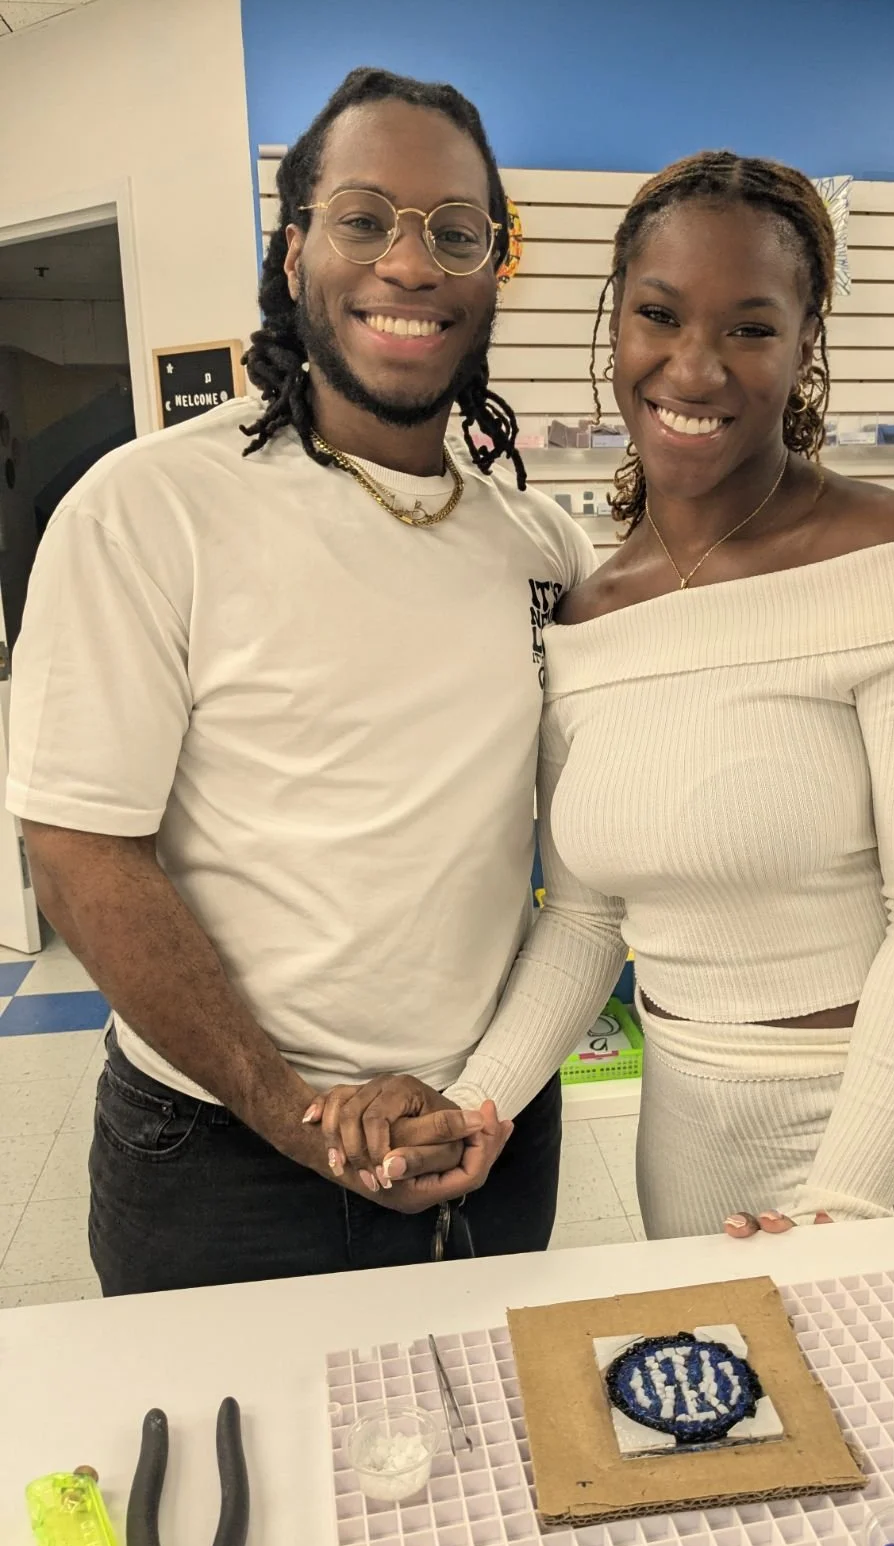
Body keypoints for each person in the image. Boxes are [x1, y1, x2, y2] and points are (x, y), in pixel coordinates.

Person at [324, 151, 894, 1237]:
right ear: (618, 326)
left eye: (749, 328)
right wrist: (483, 1103)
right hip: (695, 1136)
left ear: (807, 344)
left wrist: (843, 1207)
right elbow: (586, 919)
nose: (694, 368)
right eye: (660, 315)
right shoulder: (585, 612)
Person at [4, 69, 597, 1293]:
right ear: (293, 254)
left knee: (478, 1476)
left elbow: (596, 864)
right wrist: (301, 1117)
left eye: (456, 230)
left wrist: (483, 1101)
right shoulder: (148, 509)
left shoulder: (544, 549)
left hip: (488, 1134)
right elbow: (78, 848)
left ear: (494, 269)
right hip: (224, 1161)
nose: (411, 262)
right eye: (365, 218)